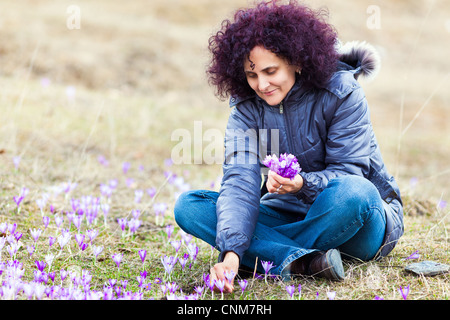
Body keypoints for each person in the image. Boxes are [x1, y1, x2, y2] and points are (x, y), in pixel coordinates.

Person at [174, 0, 404, 293]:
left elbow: (350, 174)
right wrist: (232, 253)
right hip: (284, 213)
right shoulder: (246, 107)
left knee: (356, 192)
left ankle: (266, 254)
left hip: (356, 220)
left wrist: (301, 185)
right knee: (190, 207)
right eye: (251, 74)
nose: (262, 84)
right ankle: (303, 262)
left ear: (296, 61)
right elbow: (239, 181)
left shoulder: (342, 91)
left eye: (271, 71)